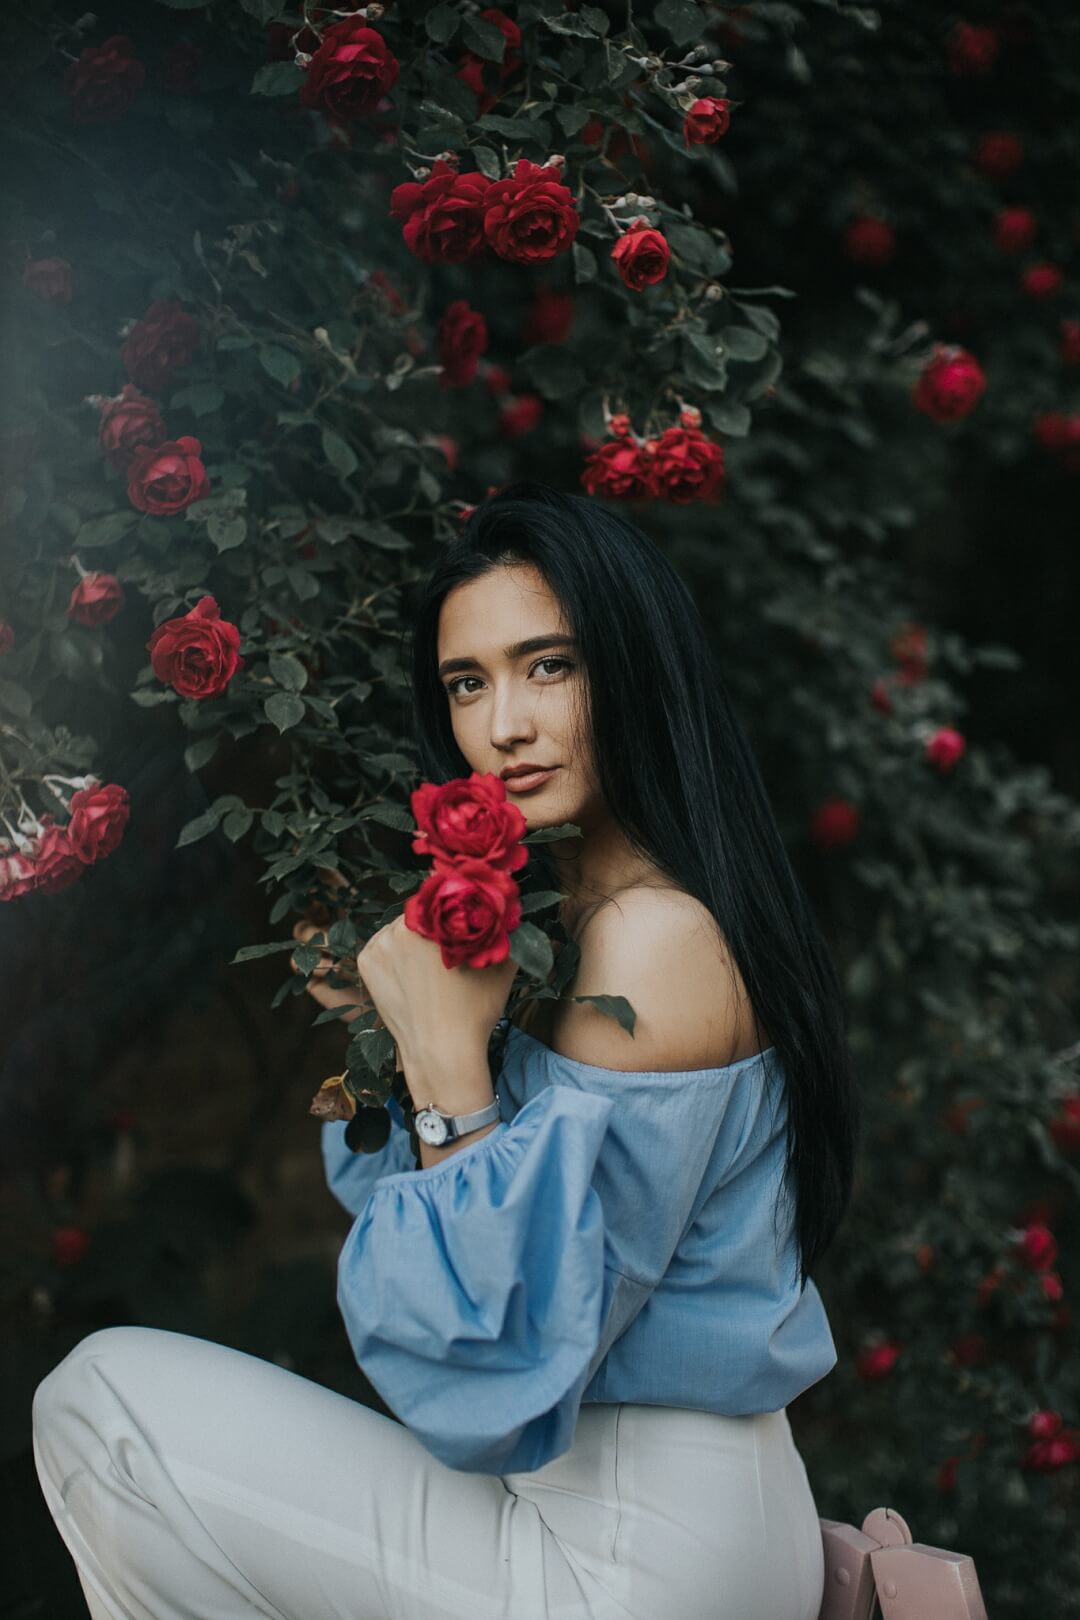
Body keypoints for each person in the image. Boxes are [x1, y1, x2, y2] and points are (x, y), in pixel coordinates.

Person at [32, 481, 861, 1620]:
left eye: (550, 665)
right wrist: (379, 1029)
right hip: (674, 1519)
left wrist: (446, 1073)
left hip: (634, 1546)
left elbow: (501, 1370)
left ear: (635, 669)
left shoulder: (651, 940)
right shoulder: (582, 925)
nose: (504, 724)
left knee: (100, 1403)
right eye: (469, 683)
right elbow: (445, 1267)